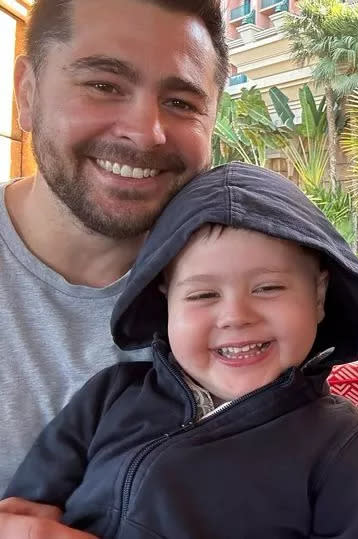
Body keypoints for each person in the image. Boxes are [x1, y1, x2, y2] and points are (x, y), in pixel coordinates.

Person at [2, 162, 358, 538]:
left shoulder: (340, 442)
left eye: (268, 288)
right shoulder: (110, 395)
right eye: (203, 294)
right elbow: (26, 508)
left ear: (318, 295)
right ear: (166, 303)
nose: (235, 316)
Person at [1, 0, 226, 500]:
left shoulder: (247, 296)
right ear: (27, 93)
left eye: (182, 103)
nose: (146, 132)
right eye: (104, 86)